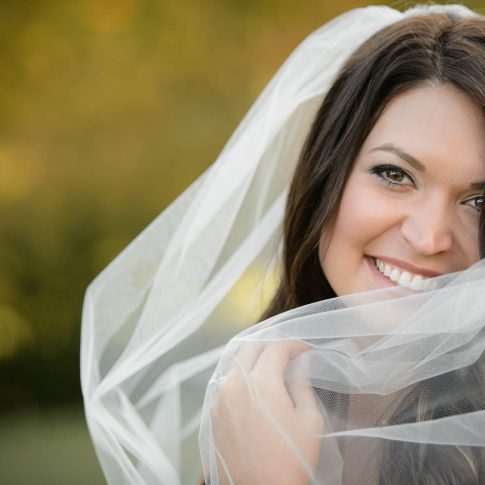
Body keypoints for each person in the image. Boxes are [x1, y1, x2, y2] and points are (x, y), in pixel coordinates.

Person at [81, 4, 485, 485]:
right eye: (394, 174)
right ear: (325, 175)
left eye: (479, 200)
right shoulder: (259, 397)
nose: (430, 237)